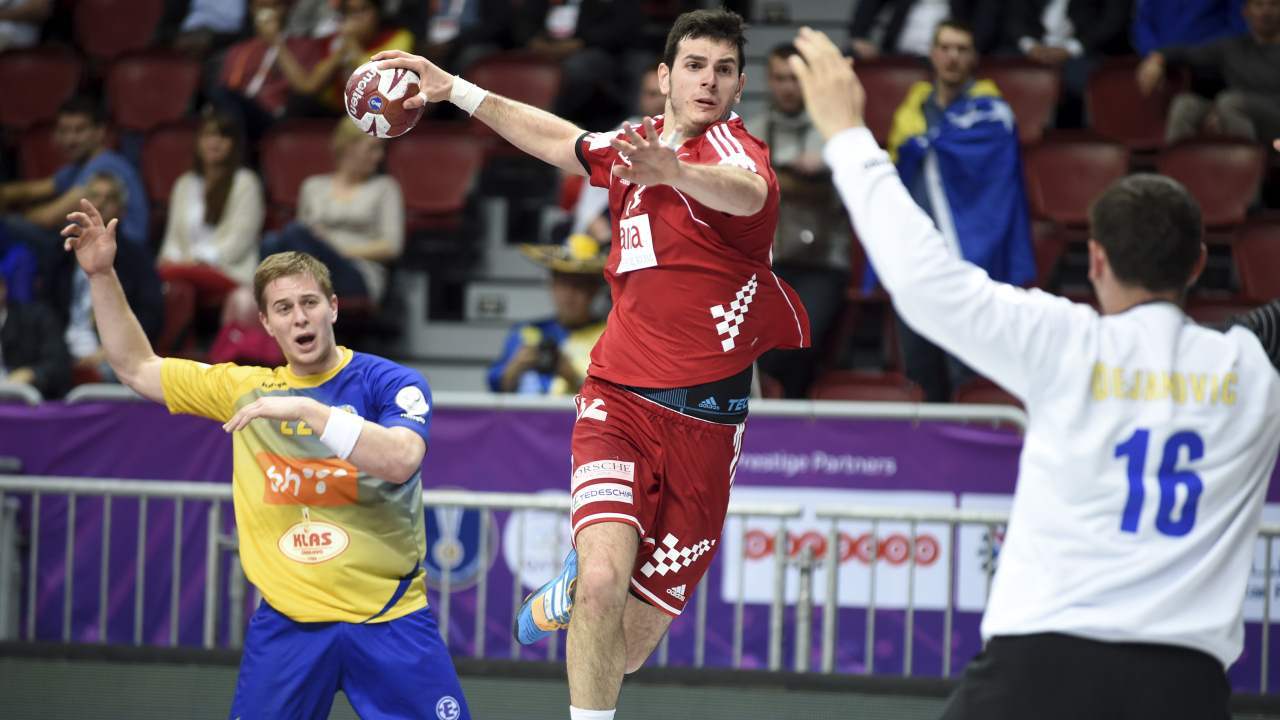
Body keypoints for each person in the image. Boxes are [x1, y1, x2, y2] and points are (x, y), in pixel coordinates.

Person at [790, 25, 1280, 720]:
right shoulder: (1253, 367)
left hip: (1039, 668)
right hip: (1185, 685)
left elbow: (924, 281)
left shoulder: (1064, 340)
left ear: (1097, 261)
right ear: (1200, 264)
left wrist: (846, 133)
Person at [376, 9, 810, 720]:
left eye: (724, 70)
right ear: (665, 77)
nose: (708, 81)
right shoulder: (634, 148)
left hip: (707, 427)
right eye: (694, 66)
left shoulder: (737, 154)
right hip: (617, 402)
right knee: (605, 587)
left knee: (625, 648)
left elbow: (748, 192)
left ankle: (576, 587)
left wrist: (677, 171)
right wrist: (455, 88)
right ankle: (590, 589)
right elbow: (561, 140)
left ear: (738, 87)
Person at [60, 200, 470, 719]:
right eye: (283, 308)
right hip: (288, 626)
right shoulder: (246, 389)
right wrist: (101, 275)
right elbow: (137, 368)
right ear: (266, 322)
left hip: (390, 619)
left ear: (333, 308)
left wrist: (309, 410)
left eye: (309, 302)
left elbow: (402, 459)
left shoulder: (390, 381)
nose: (299, 317)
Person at [881, 18, 1034, 402]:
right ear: (933, 54)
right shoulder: (912, 111)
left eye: (962, 49)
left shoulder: (992, 113)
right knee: (920, 370)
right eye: (945, 48)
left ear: (974, 57)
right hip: (919, 259)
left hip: (970, 262)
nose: (952, 57)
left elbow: (1000, 187)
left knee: (967, 372)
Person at [749, 43, 850, 399]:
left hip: (824, 260)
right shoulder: (753, 131)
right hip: (769, 261)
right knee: (752, 341)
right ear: (768, 80)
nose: (788, 87)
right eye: (780, 78)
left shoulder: (833, 130)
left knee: (800, 338)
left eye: (794, 78)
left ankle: (789, 413)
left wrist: (823, 167)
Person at [262, 118, 403, 304]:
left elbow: (391, 247)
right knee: (271, 242)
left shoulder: (385, 187)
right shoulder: (313, 186)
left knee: (293, 232)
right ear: (348, 147)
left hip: (356, 272)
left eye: (380, 149)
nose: (379, 156)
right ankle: (273, 304)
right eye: (372, 148)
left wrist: (338, 250)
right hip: (312, 263)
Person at [45, 172, 161, 383]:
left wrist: (107, 351)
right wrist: (57, 349)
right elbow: (46, 308)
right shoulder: (61, 252)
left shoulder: (137, 258)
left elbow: (150, 316)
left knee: (117, 370)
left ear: (122, 211)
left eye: (110, 198)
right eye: (94, 196)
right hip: (61, 349)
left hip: (110, 353)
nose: (100, 204)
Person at [0, 97, 149, 258]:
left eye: (79, 130)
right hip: (89, 245)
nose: (70, 139)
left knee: (9, 227)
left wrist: (8, 214)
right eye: (64, 131)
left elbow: (49, 217)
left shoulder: (105, 165)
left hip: (122, 254)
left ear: (100, 132)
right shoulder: (76, 167)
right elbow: (29, 190)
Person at [158, 108, 265, 313]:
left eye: (222, 136)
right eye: (208, 135)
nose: (214, 142)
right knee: (165, 283)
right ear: (198, 142)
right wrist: (171, 258)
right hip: (185, 269)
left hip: (228, 270)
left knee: (163, 277)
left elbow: (239, 241)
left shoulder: (245, 182)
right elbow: (172, 237)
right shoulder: (184, 184)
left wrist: (199, 260)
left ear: (234, 144)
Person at [1137, 0, 1280, 143]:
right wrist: (1158, 58)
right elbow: (1187, 54)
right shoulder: (1231, 47)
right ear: (1245, 12)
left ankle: (1250, 157)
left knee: (1230, 103)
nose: (1266, 12)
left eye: (1273, 5)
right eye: (1258, 5)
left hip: (1273, 116)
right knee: (1185, 105)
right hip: (1234, 108)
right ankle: (1178, 157)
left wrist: (1225, 109)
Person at [488, 235, 607, 395]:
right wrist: (516, 367)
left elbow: (616, 398)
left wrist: (573, 377)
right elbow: (495, 387)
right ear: (552, 285)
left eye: (579, 286)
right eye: (563, 284)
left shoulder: (609, 338)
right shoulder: (526, 332)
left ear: (594, 290)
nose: (569, 295)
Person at [272, 0, 414, 116]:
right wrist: (342, 51)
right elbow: (310, 86)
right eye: (350, 12)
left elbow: (381, 87)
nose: (356, 18)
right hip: (334, 110)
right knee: (298, 102)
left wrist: (353, 45)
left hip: (375, 108)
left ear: (378, 13)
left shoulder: (398, 38)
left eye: (363, 10)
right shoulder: (334, 41)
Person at [0, 273, 70, 399]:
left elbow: (59, 365)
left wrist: (31, 374)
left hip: (34, 403)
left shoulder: (38, 318)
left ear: (2, 289)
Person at [1132, 0, 1247, 57]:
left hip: (1209, 67)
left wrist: (1198, 53)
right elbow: (1143, 23)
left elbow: (1239, 27)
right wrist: (1155, 53)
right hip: (1159, 67)